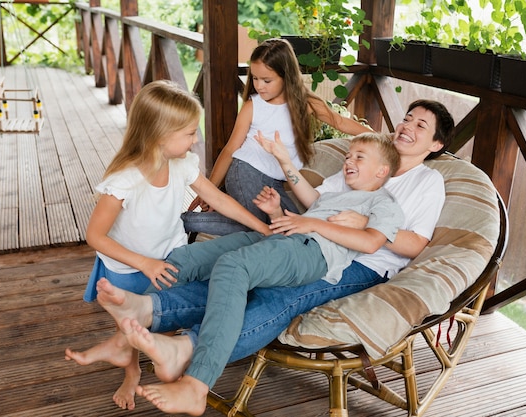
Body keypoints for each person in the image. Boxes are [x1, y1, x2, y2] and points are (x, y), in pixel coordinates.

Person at [68, 99, 455, 415]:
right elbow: (318, 204)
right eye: (407, 117)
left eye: (421, 126)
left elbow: (411, 243)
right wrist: (282, 198)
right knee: (221, 268)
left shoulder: (425, 183)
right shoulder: (360, 164)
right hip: (304, 237)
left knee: (270, 295)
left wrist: (354, 223)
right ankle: (151, 311)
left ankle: (188, 352)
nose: (408, 125)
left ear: (435, 144)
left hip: (356, 262)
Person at [64, 80, 271, 411]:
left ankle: (163, 359)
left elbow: (215, 197)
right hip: (128, 265)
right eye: (189, 133)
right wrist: (143, 263)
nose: (195, 139)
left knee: (159, 313)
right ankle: (131, 373)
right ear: (160, 135)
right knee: (129, 324)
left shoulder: (182, 164)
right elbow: (96, 236)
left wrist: (262, 226)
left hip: (170, 256)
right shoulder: (125, 180)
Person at [182, 38, 371, 236]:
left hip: (274, 181)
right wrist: (210, 191)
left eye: (266, 80)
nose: (259, 86)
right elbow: (231, 149)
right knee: (258, 227)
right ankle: (186, 221)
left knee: (293, 227)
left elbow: (339, 122)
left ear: (286, 76)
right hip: (245, 171)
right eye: (254, 78)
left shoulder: (305, 103)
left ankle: (196, 223)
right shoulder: (252, 107)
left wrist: (375, 135)